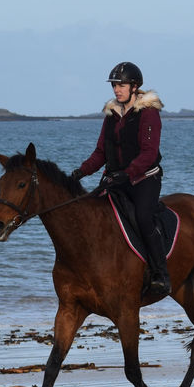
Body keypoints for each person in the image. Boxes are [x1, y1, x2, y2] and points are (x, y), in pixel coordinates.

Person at [75, 61, 172, 298]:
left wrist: (126, 174)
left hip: (144, 179)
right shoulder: (111, 115)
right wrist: (80, 172)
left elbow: (149, 154)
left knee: (142, 217)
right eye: (115, 86)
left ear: (135, 86)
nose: (117, 89)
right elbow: (101, 152)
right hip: (116, 180)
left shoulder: (148, 113)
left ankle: (160, 273)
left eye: (121, 85)